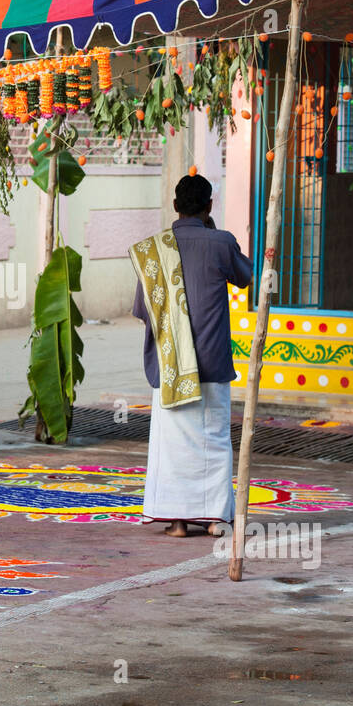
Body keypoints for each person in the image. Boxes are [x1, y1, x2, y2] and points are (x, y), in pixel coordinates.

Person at [130, 174, 253, 538]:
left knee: (172, 445)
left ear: (175, 207)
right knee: (214, 438)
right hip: (213, 359)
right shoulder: (221, 242)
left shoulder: (153, 249)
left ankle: (178, 522)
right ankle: (216, 518)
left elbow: (143, 310)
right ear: (209, 206)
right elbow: (244, 276)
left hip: (171, 365)